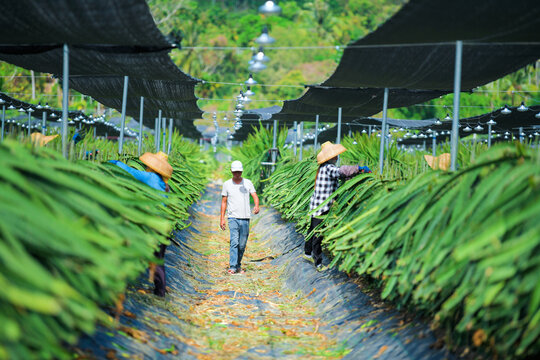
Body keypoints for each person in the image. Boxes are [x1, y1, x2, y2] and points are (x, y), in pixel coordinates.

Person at [109, 151, 173, 296]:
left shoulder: (150, 177)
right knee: (159, 260)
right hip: (163, 225)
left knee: (153, 259)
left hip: (155, 225)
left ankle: (159, 294)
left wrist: (112, 162)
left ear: (152, 167)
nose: (145, 167)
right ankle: (160, 291)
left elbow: (129, 171)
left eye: (147, 166)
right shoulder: (163, 184)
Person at [305, 141, 371, 270]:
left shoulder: (325, 168)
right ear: (331, 157)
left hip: (317, 205)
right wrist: (358, 169)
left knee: (312, 230)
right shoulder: (329, 168)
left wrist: (356, 174)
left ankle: (307, 253)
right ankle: (317, 262)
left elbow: (341, 176)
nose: (337, 157)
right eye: (335, 155)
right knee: (317, 234)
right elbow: (342, 172)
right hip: (321, 206)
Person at [220, 160, 260, 274]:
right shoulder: (227, 184)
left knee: (242, 244)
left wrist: (257, 206)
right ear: (231, 172)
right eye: (235, 172)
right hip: (232, 217)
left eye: (239, 172)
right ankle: (232, 266)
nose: (237, 174)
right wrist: (222, 218)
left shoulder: (247, 183)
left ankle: (238, 265)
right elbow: (224, 202)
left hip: (245, 218)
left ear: (241, 171)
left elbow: (255, 196)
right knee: (234, 242)